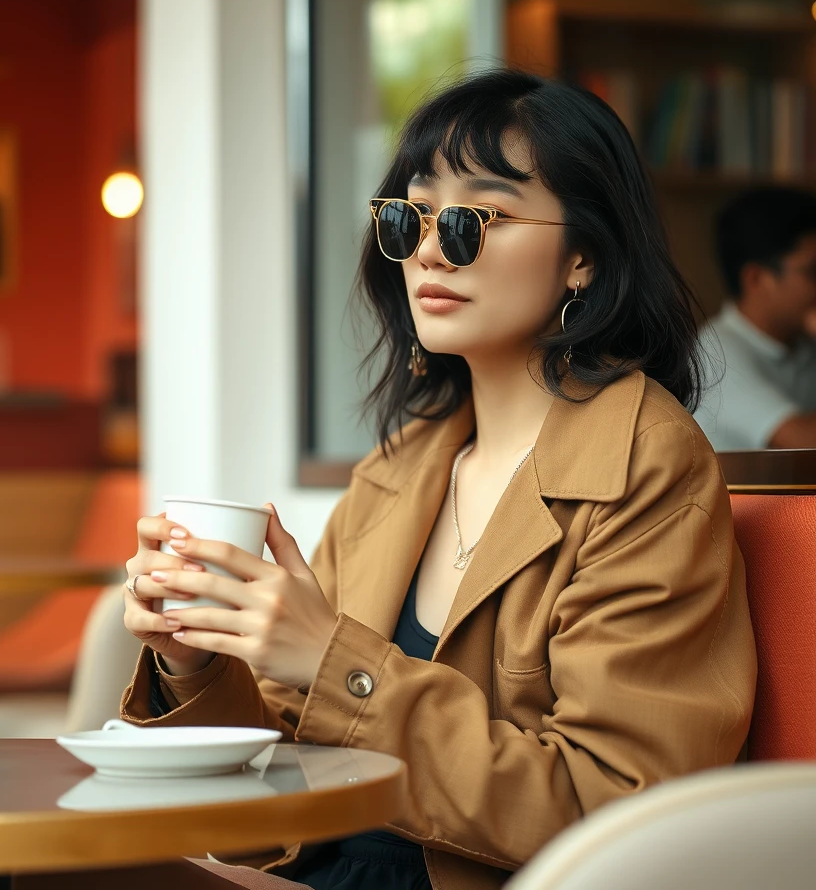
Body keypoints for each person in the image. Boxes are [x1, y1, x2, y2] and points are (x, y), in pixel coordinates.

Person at [121, 69, 757, 890]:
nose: (426, 248)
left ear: (584, 259)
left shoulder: (645, 465)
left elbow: (618, 812)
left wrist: (335, 663)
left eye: (473, 220)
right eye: (409, 217)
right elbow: (268, 801)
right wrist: (195, 662)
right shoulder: (403, 468)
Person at [694, 186, 816, 451]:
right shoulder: (714, 354)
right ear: (756, 279)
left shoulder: (804, 342)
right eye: (812, 272)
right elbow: (802, 443)